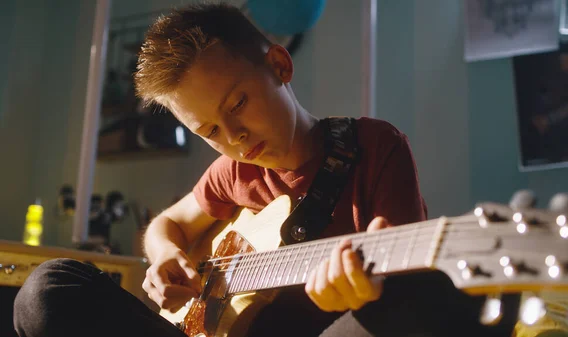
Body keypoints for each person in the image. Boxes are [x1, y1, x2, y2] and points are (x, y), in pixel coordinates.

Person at [13, 3, 518, 337]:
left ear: (279, 65)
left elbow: (404, 275)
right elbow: (168, 224)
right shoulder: (232, 172)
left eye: (238, 104)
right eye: (209, 130)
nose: (232, 136)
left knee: (432, 297)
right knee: (47, 289)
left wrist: (367, 289)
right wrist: (165, 254)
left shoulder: (373, 145)